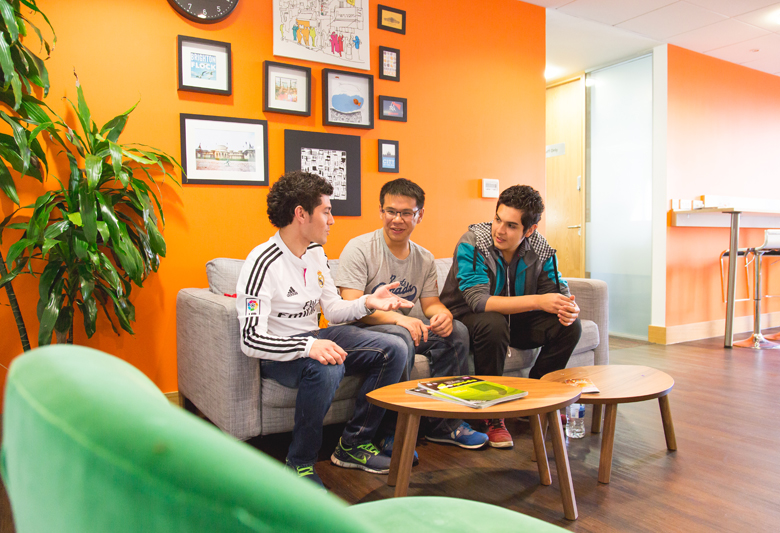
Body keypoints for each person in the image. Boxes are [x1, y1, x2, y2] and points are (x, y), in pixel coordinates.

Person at [235, 171, 409, 488]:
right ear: (301, 214)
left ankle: (353, 445)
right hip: (281, 353)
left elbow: (334, 310)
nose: (332, 220)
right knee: (328, 369)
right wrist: (306, 348)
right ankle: (299, 462)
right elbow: (250, 339)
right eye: (326, 211)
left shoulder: (316, 253)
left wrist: (369, 302)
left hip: (314, 339)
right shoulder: (262, 263)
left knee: (393, 349)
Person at [336, 179, 488, 455]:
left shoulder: (424, 258)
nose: (397, 219)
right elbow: (350, 305)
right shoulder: (359, 249)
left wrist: (442, 316)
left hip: (403, 329)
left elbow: (430, 304)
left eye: (406, 212)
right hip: (361, 332)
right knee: (401, 337)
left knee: (457, 332)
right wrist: (399, 319)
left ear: (419, 215)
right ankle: (391, 431)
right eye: (391, 211)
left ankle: (444, 423)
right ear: (381, 211)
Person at [439, 185, 582, 449]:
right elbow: (478, 301)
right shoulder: (472, 242)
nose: (500, 230)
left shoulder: (540, 248)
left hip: (516, 319)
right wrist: (539, 301)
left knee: (568, 326)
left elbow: (557, 290)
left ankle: (537, 398)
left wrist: (568, 308)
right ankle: (493, 416)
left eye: (511, 226)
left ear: (529, 230)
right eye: (497, 219)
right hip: (468, 319)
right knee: (493, 323)